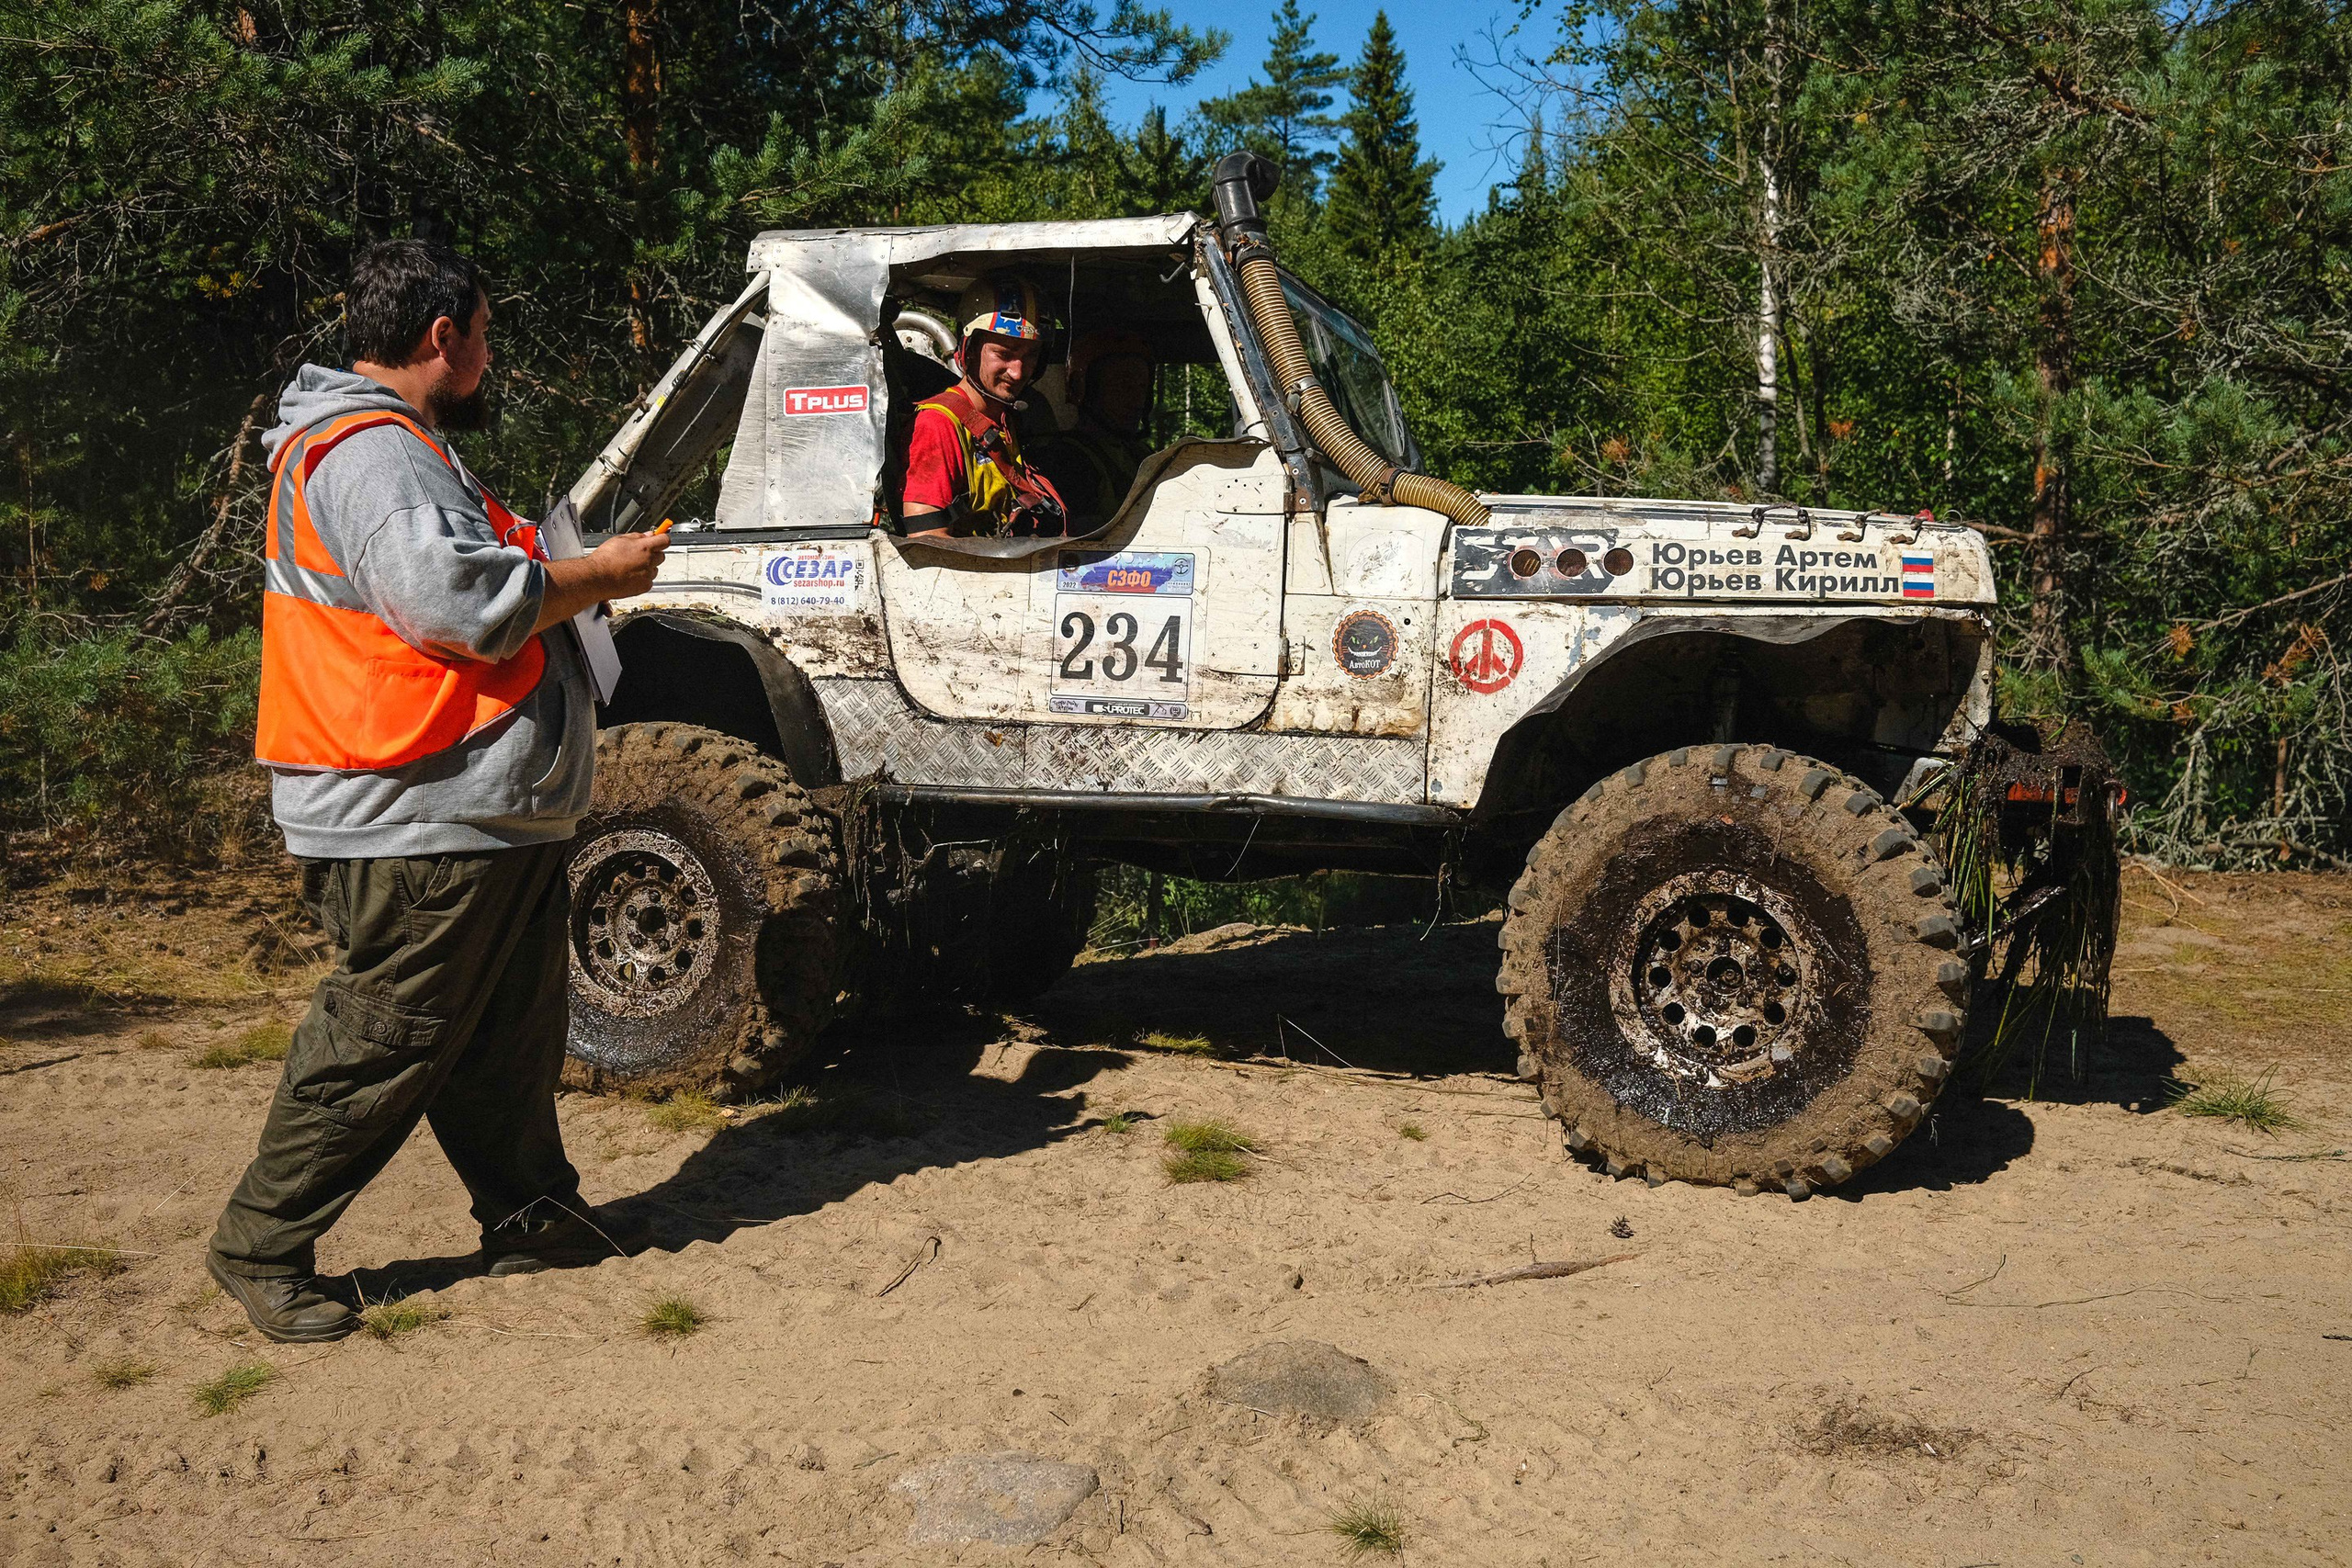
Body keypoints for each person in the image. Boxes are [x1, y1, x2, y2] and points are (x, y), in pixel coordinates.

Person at [206, 239, 669, 1343]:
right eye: (485, 336)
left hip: (469, 808)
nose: (490, 358)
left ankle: (531, 1214)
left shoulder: (409, 452)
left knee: (505, 1032)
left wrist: (569, 576)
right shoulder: (374, 454)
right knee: (385, 1035)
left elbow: (479, 583)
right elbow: (453, 605)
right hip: (411, 811)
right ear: (442, 335)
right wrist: (596, 577)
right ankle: (261, 1245)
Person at [899, 272, 1070, 538]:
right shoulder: (937, 424)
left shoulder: (1006, 419)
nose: (1017, 372)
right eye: (1004, 354)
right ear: (969, 350)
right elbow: (927, 542)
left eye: (1031, 355)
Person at [1030, 330, 1155, 528]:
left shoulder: (1141, 454)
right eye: (1123, 386)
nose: (1136, 400)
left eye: (1142, 387)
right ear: (1082, 388)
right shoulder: (1066, 460)